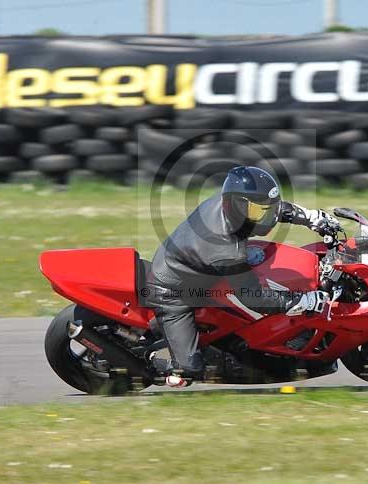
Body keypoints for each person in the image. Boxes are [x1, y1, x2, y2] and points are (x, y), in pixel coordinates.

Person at [144, 165, 341, 387]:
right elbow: (254, 298)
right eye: (259, 212)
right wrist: (301, 300)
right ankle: (153, 362)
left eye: (266, 209)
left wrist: (310, 217)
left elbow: (269, 208)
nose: (267, 217)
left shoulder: (231, 205)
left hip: (195, 264)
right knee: (189, 369)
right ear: (234, 205)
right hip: (173, 291)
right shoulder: (227, 248)